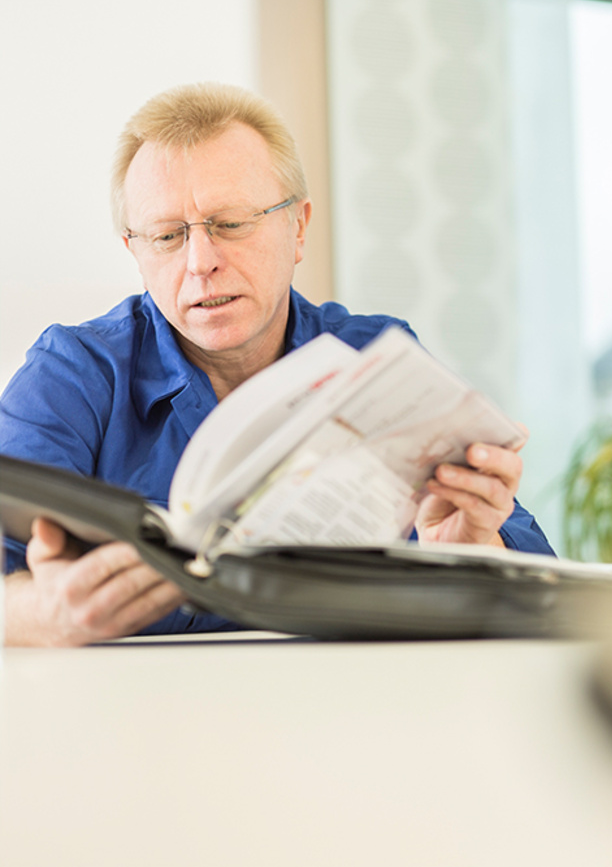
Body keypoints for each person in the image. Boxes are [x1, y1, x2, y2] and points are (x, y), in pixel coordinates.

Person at [2, 82, 551, 646]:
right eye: (167, 236)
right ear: (134, 252)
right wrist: (40, 614)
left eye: (231, 223)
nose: (200, 263)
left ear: (299, 227)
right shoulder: (72, 374)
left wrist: (473, 550)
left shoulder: (378, 357)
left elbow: (541, 580)